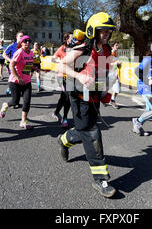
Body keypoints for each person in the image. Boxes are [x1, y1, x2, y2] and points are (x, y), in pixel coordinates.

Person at [57, 12, 117, 198]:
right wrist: (80, 76)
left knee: (83, 129)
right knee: (92, 133)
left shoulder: (106, 50)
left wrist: (106, 90)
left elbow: (104, 71)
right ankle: (101, 180)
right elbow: (61, 66)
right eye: (102, 31)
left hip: (93, 97)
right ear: (92, 31)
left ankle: (64, 139)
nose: (106, 34)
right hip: (78, 96)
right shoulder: (82, 48)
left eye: (108, 31)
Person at [0, 35, 36, 129]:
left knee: (27, 101)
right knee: (15, 101)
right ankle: (5, 105)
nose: (27, 43)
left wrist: (36, 68)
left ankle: (23, 121)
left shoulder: (31, 53)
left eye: (29, 41)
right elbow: (11, 66)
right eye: (25, 41)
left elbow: (29, 65)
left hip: (27, 81)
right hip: (15, 81)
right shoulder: (19, 52)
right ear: (21, 43)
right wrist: (18, 78)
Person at [52, 32, 73, 128]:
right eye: (72, 38)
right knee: (67, 96)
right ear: (67, 39)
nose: (73, 40)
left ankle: (56, 112)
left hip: (70, 76)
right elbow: (53, 59)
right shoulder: (62, 49)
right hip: (61, 76)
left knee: (63, 97)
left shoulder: (74, 49)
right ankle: (65, 118)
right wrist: (60, 61)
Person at [2, 31, 25, 96]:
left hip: (21, 68)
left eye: (23, 36)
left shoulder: (24, 46)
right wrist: (10, 60)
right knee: (15, 81)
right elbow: (4, 54)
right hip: (13, 67)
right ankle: (14, 98)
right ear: (16, 37)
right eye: (20, 36)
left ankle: (11, 90)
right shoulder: (12, 46)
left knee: (19, 82)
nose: (21, 38)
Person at [108, 42, 122, 109]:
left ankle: (112, 100)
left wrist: (118, 65)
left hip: (114, 74)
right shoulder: (109, 54)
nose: (118, 46)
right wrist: (115, 63)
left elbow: (114, 66)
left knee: (117, 88)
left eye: (117, 45)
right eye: (116, 45)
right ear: (112, 47)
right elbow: (107, 65)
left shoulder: (115, 55)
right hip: (108, 74)